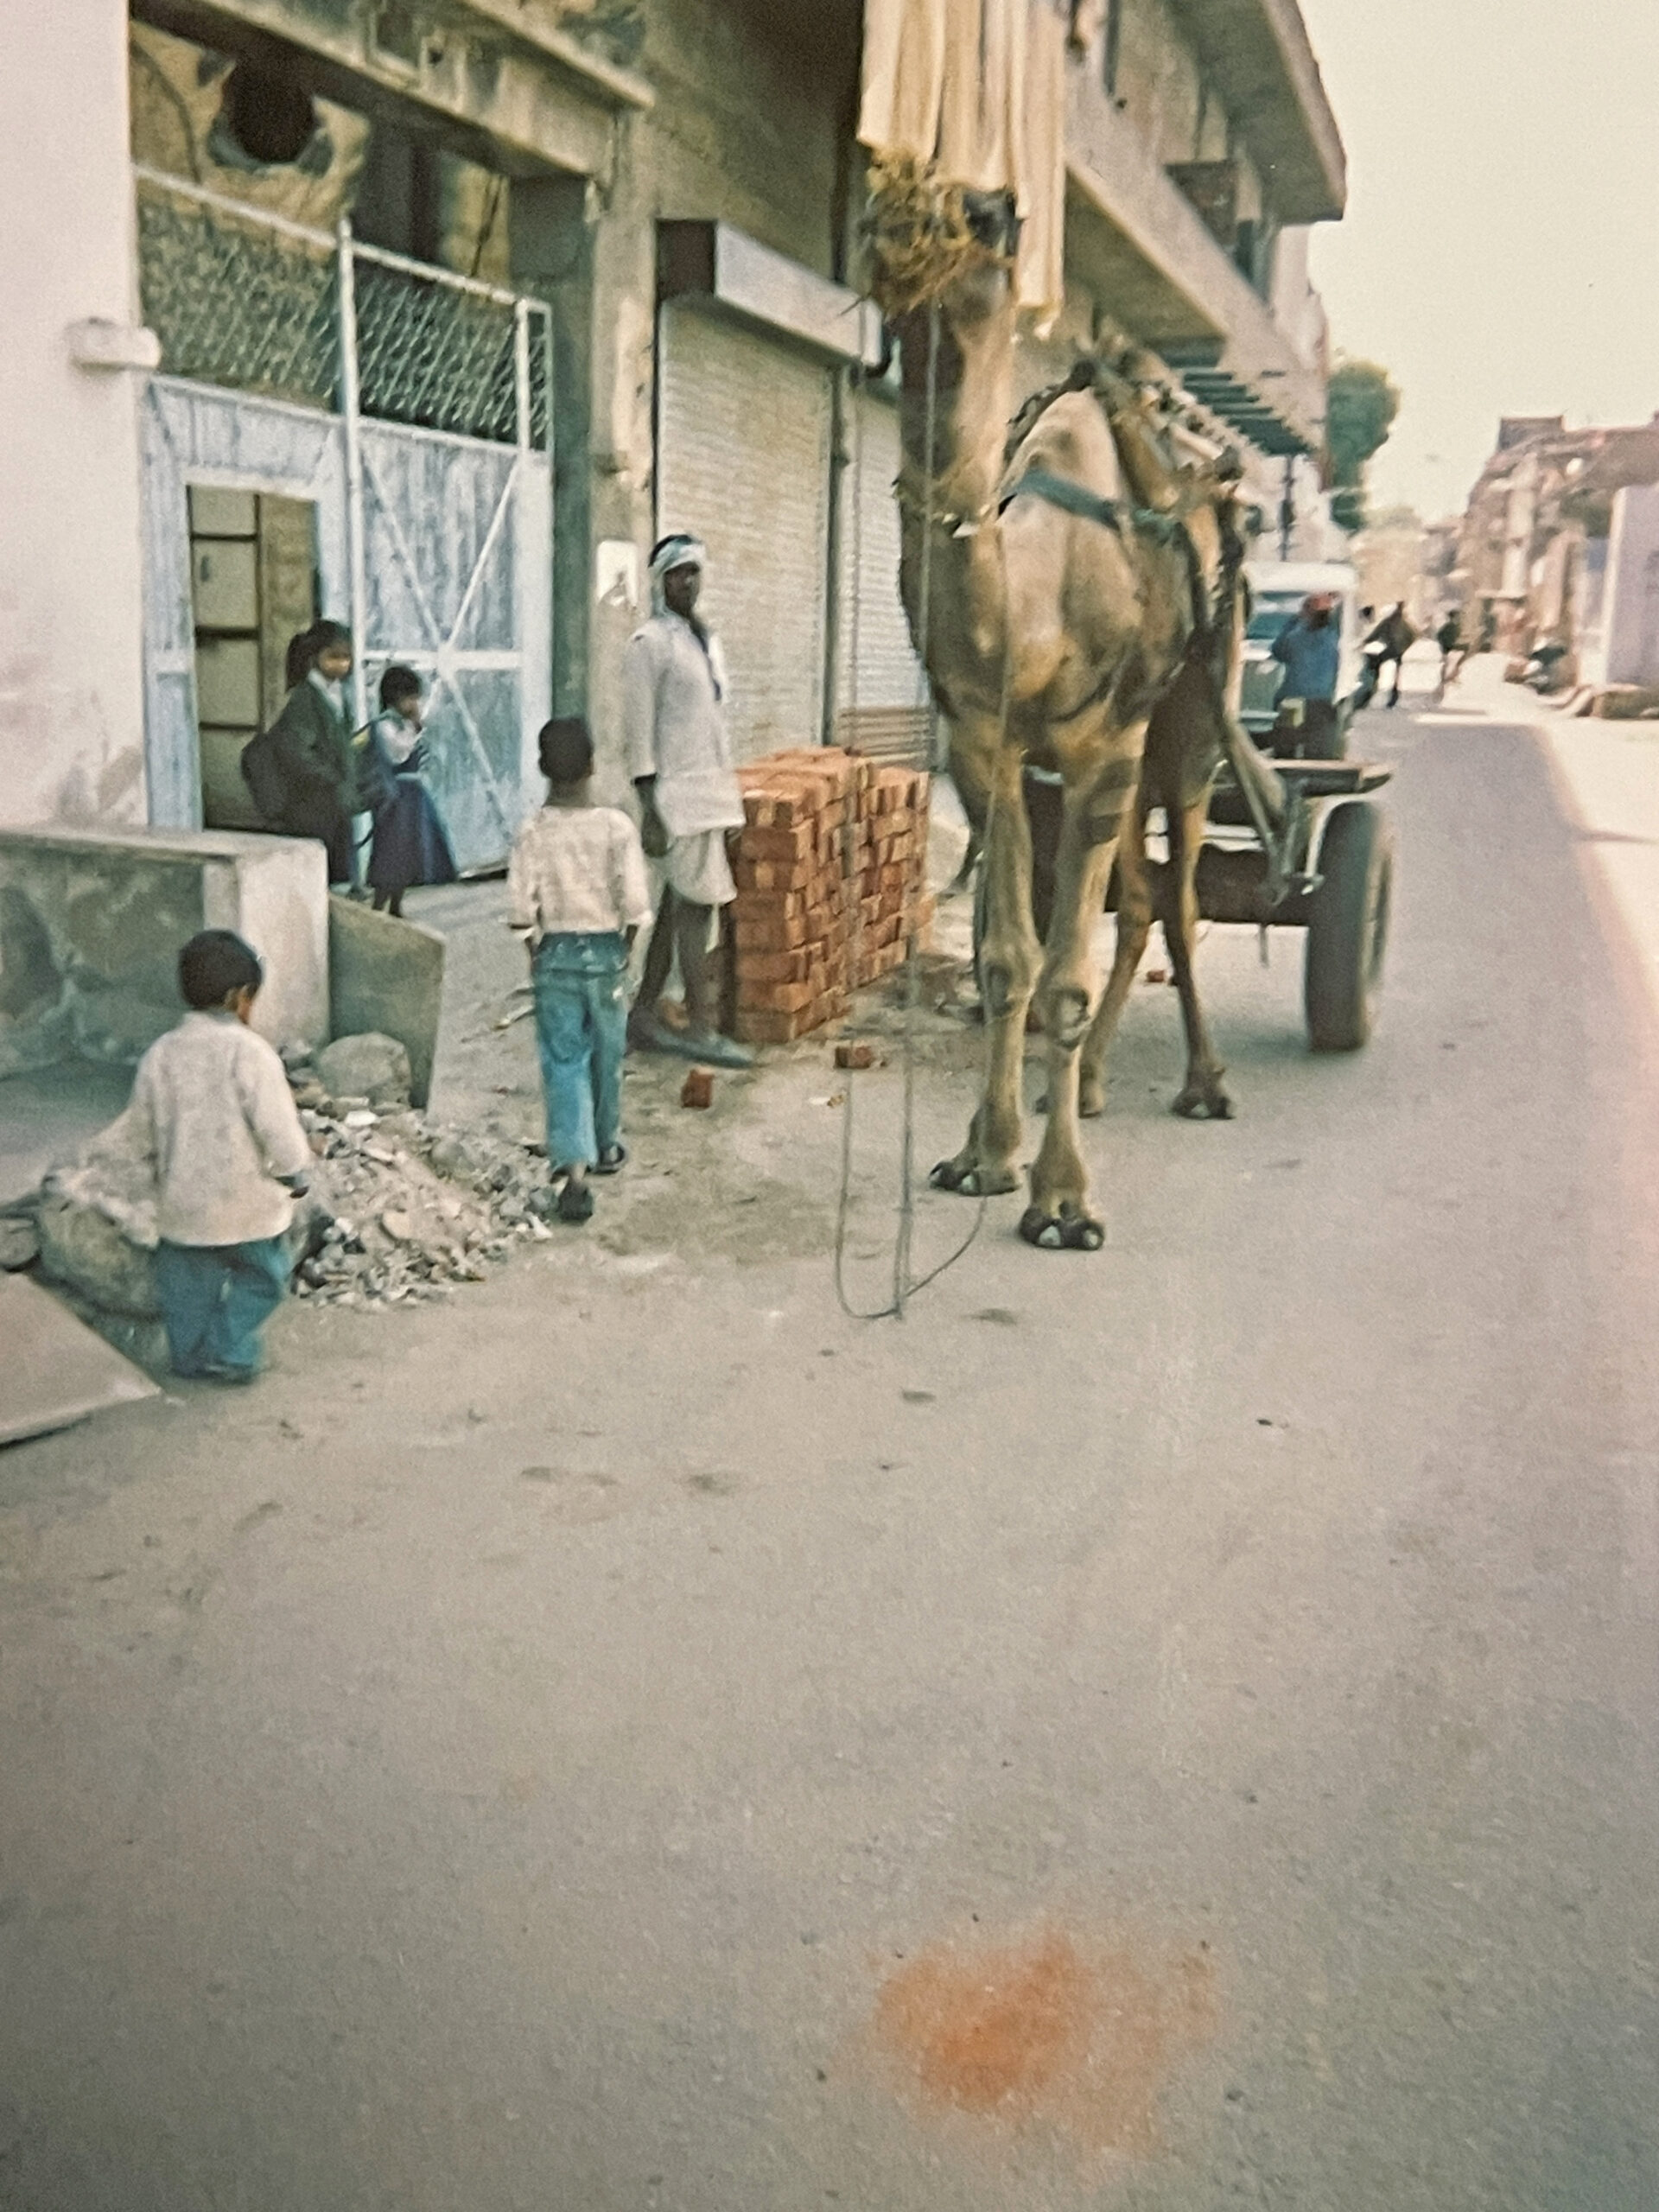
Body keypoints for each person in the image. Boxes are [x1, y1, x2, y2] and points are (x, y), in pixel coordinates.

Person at [127, 930, 315, 1383]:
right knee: (264, 1277)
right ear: (238, 997)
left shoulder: (161, 1054)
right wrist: (296, 1173)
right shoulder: (250, 1053)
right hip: (245, 1205)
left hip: (184, 1210)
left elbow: (140, 1132)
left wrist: (147, 1183)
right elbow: (277, 1126)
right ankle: (230, 1349)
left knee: (186, 1292)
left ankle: (190, 1358)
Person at [507, 717, 653, 1226]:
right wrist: (625, 951)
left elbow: (521, 911)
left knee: (564, 1060)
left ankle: (574, 1171)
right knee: (607, 1055)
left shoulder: (533, 832)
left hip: (555, 957)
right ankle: (606, 1145)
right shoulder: (616, 828)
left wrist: (535, 951)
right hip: (607, 955)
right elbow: (634, 903)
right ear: (593, 766)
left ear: (543, 768)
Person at [622, 534, 754, 1070]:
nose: (688, 582)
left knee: (680, 906)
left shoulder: (705, 639)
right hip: (674, 798)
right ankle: (699, 1027)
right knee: (697, 911)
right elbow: (638, 733)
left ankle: (643, 1013)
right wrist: (649, 806)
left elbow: (714, 726)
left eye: (695, 572)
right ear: (660, 581)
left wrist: (731, 801)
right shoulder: (648, 643)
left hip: (708, 793)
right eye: (678, 573)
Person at [259, 620, 363, 886]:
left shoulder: (337, 694)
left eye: (346, 658)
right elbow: (295, 751)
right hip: (312, 803)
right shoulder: (304, 698)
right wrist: (331, 777)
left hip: (334, 800)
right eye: (334, 657)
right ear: (315, 656)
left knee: (338, 872)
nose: (342, 664)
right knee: (317, 874)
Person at [361, 666, 457, 917]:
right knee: (392, 853)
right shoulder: (384, 726)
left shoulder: (401, 724)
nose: (416, 703)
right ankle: (379, 904)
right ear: (396, 697)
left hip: (413, 796)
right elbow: (398, 753)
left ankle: (396, 905)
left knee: (410, 852)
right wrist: (414, 729)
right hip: (395, 798)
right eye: (411, 697)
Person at [1268, 591, 1344, 758]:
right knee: (1318, 752)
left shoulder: (1294, 638)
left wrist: (1295, 620)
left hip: (1292, 699)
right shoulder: (1334, 638)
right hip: (1322, 701)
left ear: (1306, 614)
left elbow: (1277, 651)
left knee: (1285, 749)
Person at [1365, 601, 1419, 709]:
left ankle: (1371, 690)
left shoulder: (1388, 622)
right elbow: (1413, 635)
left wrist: (1366, 642)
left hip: (1390, 651)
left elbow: (1375, 634)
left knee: (1373, 663)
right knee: (1396, 676)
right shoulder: (1404, 624)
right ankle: (1393, 697)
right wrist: (1404, 647)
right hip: (1397, 652)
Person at [1435, 610, 1465, 688]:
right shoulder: (1449, 626)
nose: (1458, 618)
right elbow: (1439, 635)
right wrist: (1445, 644)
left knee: (1454, 662)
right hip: (1448, 648)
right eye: (1457, 617)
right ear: (1453, 618)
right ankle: (1445, 678)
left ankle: (1452, 677)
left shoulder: (1456, 627)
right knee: (1448, 663)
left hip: (1451, 647)